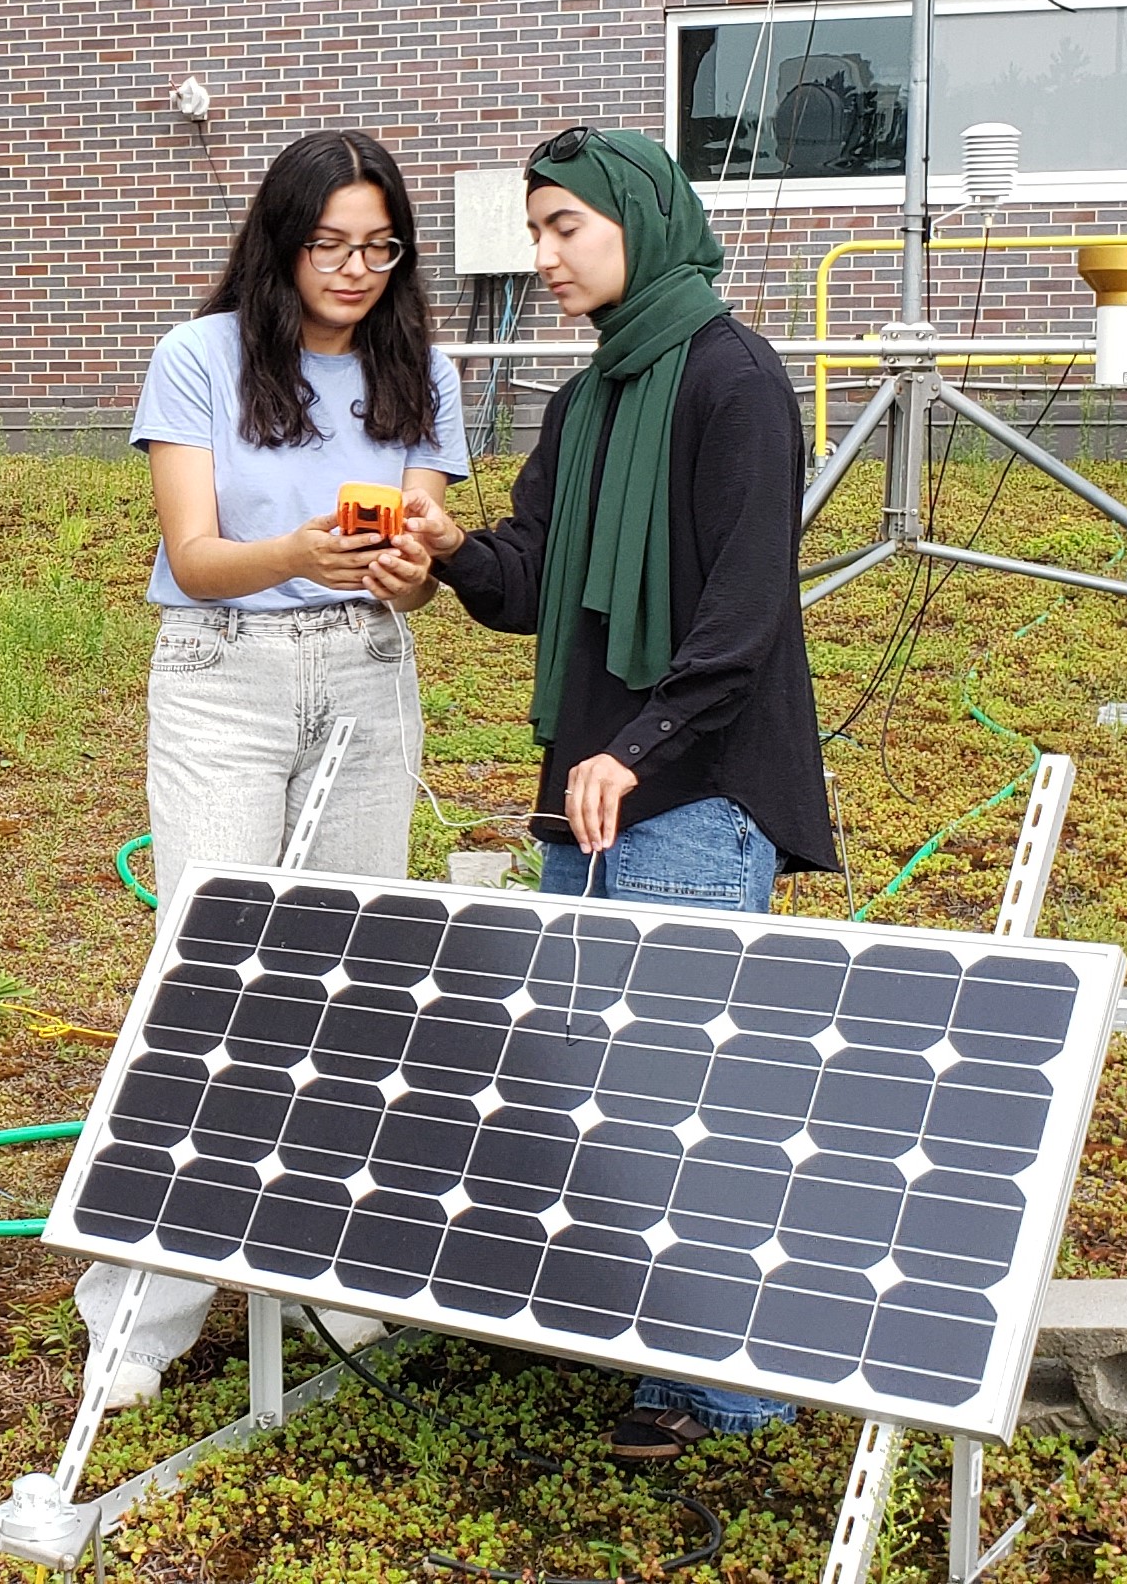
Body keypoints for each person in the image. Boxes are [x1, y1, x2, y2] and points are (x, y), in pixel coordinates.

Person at [385, 124, 841, 1458]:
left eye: (565, 227)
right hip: (586, 793)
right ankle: (653, 1346)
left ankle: (733, 1392)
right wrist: (456, 549)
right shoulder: (586, 403)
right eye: (533, 231)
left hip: (696, 795)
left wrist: (636, 750)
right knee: (607, 1085)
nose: (544, 254)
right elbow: (531, 577)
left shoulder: (733, 378)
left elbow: (744, 614)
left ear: (639, 220)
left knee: (691, 1088)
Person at [80, 128, 467, 1411]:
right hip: (222, 672)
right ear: (281, 241)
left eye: (378, 246)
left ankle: (333, 1274)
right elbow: (193, 557)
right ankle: (138, 1311)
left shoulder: (423, 367)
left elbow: (418, 535)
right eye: (330, 245)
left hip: (364, 666)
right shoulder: (196, 359)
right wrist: (298, 549)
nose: (355, 269)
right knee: (215, 974)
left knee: (360, 974)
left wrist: (414, 559)